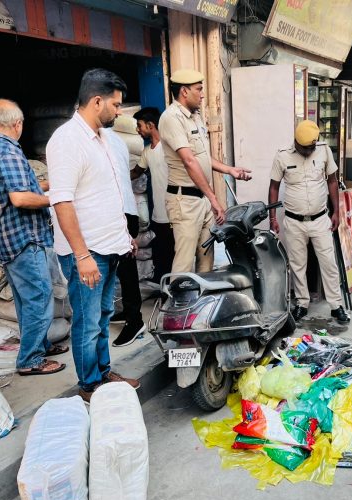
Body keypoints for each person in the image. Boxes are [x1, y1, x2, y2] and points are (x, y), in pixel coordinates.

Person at [46, 68, 139, 402]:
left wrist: (124, 235)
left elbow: (108, 194)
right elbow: (62, 201)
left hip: (110, 246)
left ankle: (102, 372)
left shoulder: (103, 139)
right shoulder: (67, 141)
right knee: (86, 323)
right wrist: (82, 255)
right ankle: (90, 385)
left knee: (102, 317)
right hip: (87, 253)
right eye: (115, 105)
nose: (118, 111)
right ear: (96, 101)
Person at [0, 99, 67, 377]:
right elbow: (20, 197)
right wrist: (53, 199)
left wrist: (50, 184)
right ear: (17, 124)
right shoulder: (7, 150)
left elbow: (16, 185)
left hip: (6, 239)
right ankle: (30, 360)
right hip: (24, 237)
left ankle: (40, 345)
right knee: (39, 296)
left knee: (26, 299)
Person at [158, 69, 252, 274]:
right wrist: (214, 199)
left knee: (206, 260)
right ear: (184, 91)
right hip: (185, 202)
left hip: (201, 200)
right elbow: (189, 161)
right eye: (199, 90)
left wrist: (230, 170)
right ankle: (177, 305)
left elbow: (202, 157)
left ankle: (201, 306)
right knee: (184, 264)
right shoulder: (172, 118)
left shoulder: (195, 116)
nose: (202, 94)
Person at [268, 119, 350, 325]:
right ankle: (302, 303)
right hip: (294, 221)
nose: (309, 150)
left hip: (320, 219)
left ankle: (336, 305)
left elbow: (332, 181)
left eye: (312, 146)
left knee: (329, 263)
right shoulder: (282, 156)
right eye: (305, 147)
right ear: (296, 142)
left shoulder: (324, 151)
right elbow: (273, 187)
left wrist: (336, 212)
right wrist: (272, 218)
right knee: (297, 265)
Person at [108, 128, 144, 347]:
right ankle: (129, 312)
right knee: (120, 268)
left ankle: (135, 320)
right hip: (121, 210)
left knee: (126, 269)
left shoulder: (109, 141)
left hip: (120, 212)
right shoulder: (116, 140)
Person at [130, 107, 174, 283]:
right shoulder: (147, 151)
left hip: (173, 212)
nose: (138, 130)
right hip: (158, 215)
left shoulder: (169, 147)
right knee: (161, 253)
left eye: (140, 126)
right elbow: (136, 172)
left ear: (150, 125)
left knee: (173, 255)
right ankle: (162, 288)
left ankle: (173, 290)